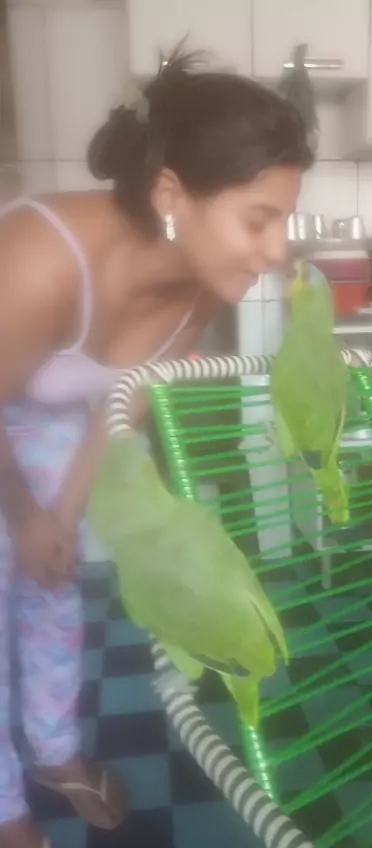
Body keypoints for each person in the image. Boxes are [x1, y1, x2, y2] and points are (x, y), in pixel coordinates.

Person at [0, 49, 312, 847]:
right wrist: (24, 515)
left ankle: (53, 751)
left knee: (52, 584)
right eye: (258, 219)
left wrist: (57, 518)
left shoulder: (202, 284)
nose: (277, 250)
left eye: (284, 221)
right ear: (172, 195)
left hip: (53, 421)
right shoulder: (37, 261)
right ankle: (4, 807)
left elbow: (121, 402)